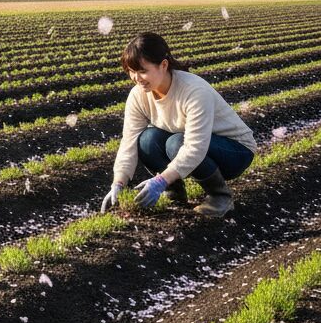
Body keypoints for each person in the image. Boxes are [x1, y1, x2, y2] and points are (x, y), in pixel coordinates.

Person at [101, 31, 257, 218]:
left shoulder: (194, 91)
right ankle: (175, 193)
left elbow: (195, 148)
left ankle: (220, 196)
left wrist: (160, 180)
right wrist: (118, 183)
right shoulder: (138, 96)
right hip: (192, 145)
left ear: (163, 65)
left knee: (176, 143)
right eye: (131, 72)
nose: (136, 78)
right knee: (146, 140)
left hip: (235, 152)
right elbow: (129, 142)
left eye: (142, 71)